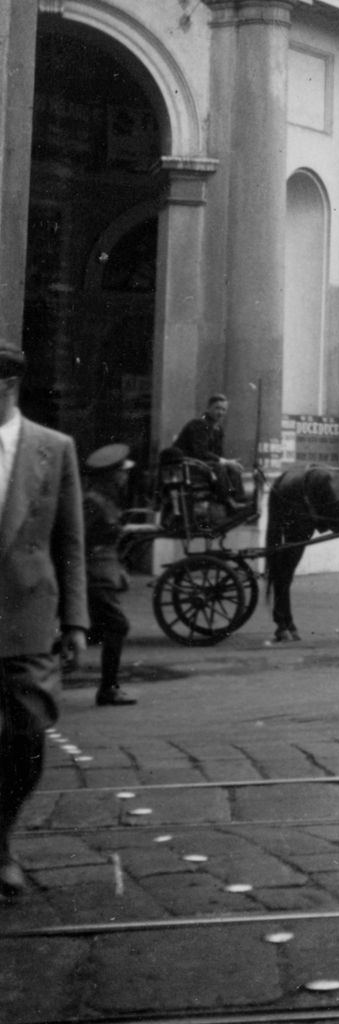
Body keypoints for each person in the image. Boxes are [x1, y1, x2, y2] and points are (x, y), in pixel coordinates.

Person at [0, 340, 87, 897]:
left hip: (26, 617)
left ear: (7, 386)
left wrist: (76, 621)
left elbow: (72, 543)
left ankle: (0, 833)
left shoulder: (54, 449)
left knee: (27, 735)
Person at [82, 445, 136, 707]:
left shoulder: (104, 499)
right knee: (117, 626)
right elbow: (76, 543)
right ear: (111, 475)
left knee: (94, 632)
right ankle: (108, 689)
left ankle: (40, 657)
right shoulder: (92, 502)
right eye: (121, 473)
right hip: (95, 575)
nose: (125, 477)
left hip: (104, 573)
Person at [173, 395, 248, 510]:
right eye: (217, 408)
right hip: (187, 464)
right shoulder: (199, 424)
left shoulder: (218, 429)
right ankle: (228, 501)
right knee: (217, 466)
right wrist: (225, 462)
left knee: (232, 468)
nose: (220, 412)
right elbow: (200, 452)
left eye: (224, 409)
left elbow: (218, 454)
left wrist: (228, 463)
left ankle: (240, 500)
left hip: (201, 464)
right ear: (208, 408)